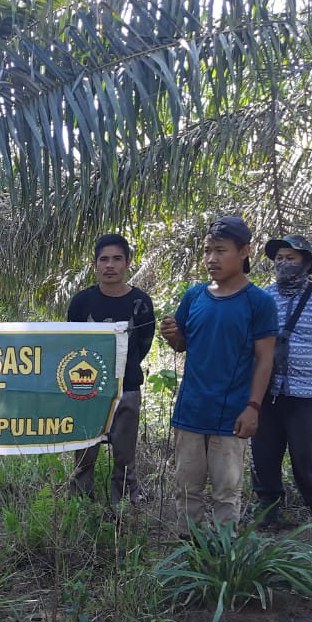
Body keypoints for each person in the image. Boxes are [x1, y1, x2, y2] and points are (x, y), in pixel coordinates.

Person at [159, 216, 277, 529]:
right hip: (191, 411)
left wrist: (253, 407)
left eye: (220, 250)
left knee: (227, 491)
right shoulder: (194, 297)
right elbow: (183, 345)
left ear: (244, 252)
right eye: (208, 250)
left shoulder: (259, 302)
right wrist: (173, 336)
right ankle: (190, 548)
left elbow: (265, 358)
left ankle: (225, 554)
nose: (211, 258)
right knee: (186, 488)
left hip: (232, 414)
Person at [251, 234, 312, 524]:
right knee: (263, 453)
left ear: (306, 264)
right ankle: (268, 511)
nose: (283, 264)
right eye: (279, 259)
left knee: (308, 455)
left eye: (290, 258)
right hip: (266, 392)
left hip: (306, 392)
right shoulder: (263, 298)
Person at [67, 234, 156, 506]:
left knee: (125, 450)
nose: (110, 265)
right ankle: (81, 500)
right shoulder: (82, 302)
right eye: (103, 259)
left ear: (128, 262)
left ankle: (126, 500)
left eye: (117, 259)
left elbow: (143, 344)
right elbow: (72, 342)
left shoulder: (141, 302)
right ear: (95, 264)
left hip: (127, 386)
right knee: (85, 448)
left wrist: (124, 369)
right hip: (87, 387)